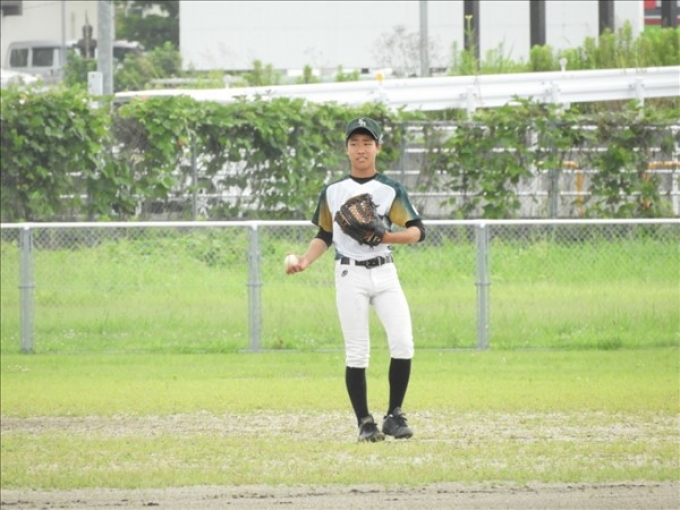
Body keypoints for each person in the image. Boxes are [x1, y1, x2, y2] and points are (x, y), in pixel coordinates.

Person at [285, 117, 426, 442]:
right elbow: (325, 234)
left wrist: (386, 236)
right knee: (357, 351)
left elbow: (418, 231)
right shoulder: (333, 191)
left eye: (367, 143)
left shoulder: (390, 189)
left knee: (403, 342)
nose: (361, 149)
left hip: (385, 272)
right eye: (354, 143)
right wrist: (305, 260)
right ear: (347, 149)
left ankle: (394, 416)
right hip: (350, 274)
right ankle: (365, 423)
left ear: (378, 147)